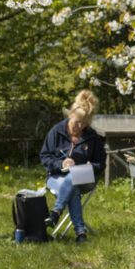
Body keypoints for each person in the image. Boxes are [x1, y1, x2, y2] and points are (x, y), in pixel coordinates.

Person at [40, 90, 106, 242]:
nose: (80, 126)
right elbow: (44, 157)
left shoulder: (92, 136)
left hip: (85, 178)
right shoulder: (56, 131)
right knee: (72, 186)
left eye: (84, 123)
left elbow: (101, 163)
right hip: (57, 177)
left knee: (74, 177)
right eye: (77, 121)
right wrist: (61, 163)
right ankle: (81, 233)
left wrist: (91, 167)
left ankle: (56, 212)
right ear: (70, 115)